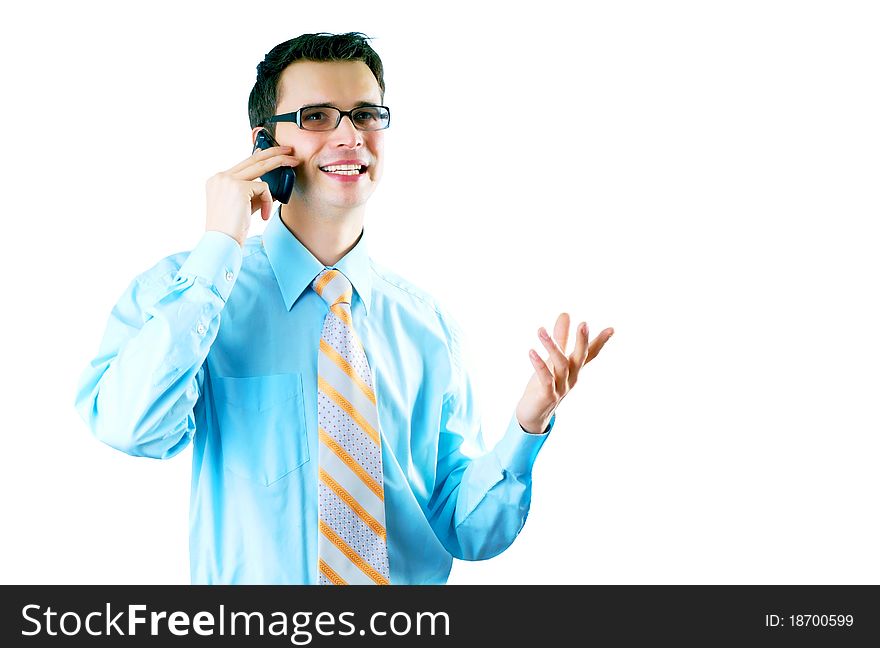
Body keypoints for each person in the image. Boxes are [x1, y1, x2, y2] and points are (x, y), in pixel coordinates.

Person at [74, 32, 614, 585]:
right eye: (316, 117)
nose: (350, 135)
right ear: (264, 142)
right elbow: (130, 427)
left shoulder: (426, 327)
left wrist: (527, 424)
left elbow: (463, 531)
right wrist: (218, 248)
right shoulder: (192, 292)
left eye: (364, 115)